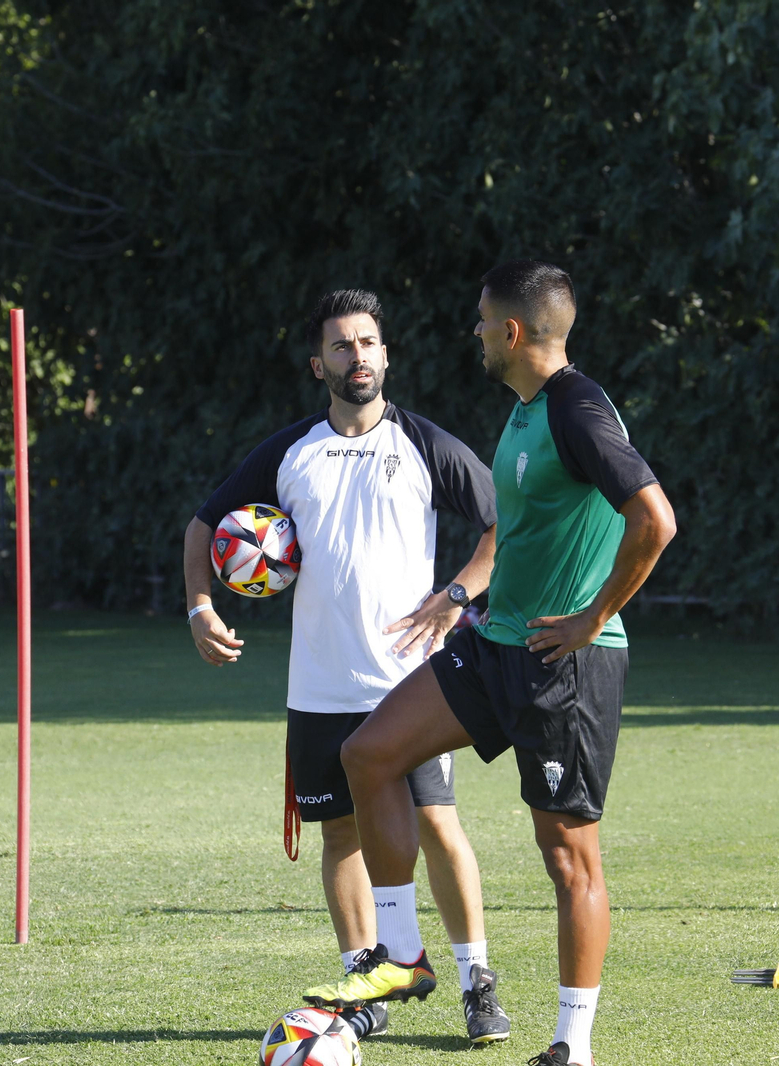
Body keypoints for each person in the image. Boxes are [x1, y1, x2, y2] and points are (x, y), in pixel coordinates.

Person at [299, 261, 677, 1066]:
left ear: (512, 332)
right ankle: (401, 959)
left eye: (481, 322)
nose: (472, 332)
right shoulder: (525, 409)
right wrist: (469, 601)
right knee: (368, 753)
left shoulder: (577, 410)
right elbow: (523, 535)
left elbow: (655, 518)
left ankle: (571, 1045)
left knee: (568, 857)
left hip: (563, 666)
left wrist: (593, 616)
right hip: (494, 643)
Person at [181, 289, 510, 1047]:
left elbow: (506, 522)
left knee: (437, 827)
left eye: (367, 342)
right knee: (340, 839)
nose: (356, 355)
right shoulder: (290, 452)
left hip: (412, 685)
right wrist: (202, 608)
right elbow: (205, 524)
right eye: (340, 345)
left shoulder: (424, 444)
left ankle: (475, 981)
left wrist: (459, 593)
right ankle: (370, 981)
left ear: (386, 355)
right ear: (316, 364)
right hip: (319, 687)